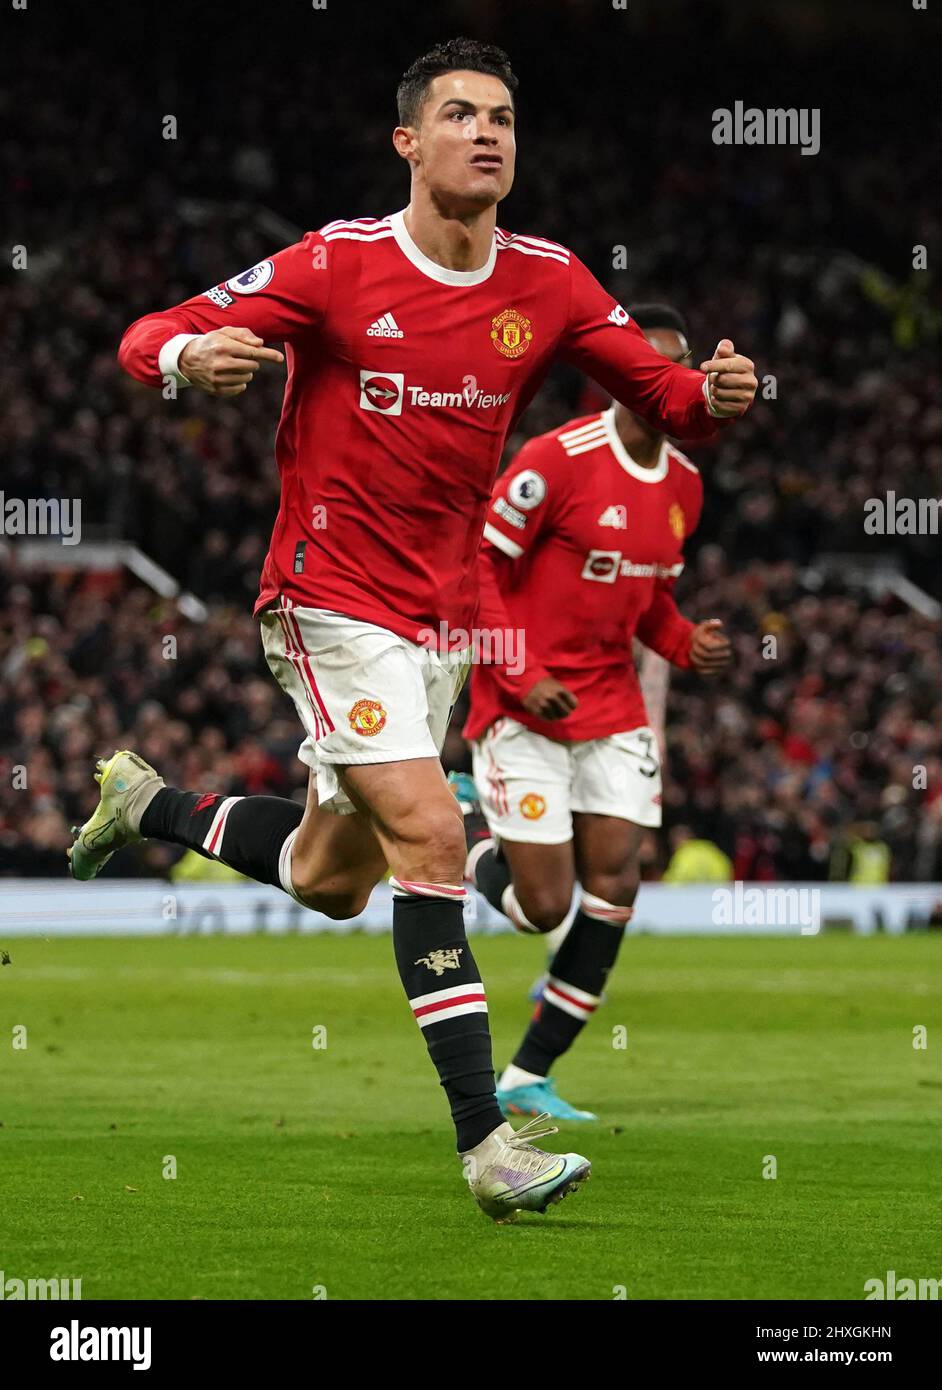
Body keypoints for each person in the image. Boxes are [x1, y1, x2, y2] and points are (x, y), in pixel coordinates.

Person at [69, 39, 756, 1220]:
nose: (487, 133)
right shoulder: (335, 264)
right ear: (408, 142)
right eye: (458, 114)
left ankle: (150, 805)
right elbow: (147, 333)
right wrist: (194, 355)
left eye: (501, 117)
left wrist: (717, 395)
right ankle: (489, 1144)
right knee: (436, 841)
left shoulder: (548, 280)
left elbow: (660, 393)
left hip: (441, 625)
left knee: (335, 879)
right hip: (329, 599)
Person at [456, 306, 732, 1120]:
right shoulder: (555, 462)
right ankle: (463, 824)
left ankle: (529, 1074)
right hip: (522, 701)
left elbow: (651, 601)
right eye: (646, 367)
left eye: (677, 369)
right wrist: (519, 670)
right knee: (543, 904)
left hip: (610, 706)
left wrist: (686, 644)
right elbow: (478, 569)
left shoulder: (684, 484)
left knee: (614, 884)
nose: (661, 383)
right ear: (613, 375)